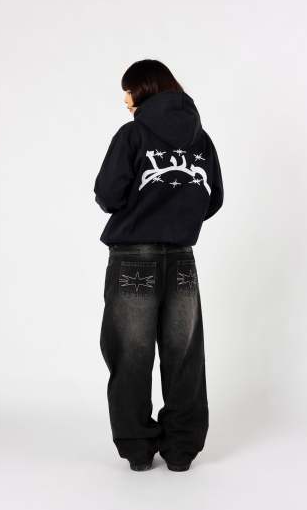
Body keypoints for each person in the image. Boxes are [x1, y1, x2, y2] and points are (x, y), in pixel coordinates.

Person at [93, 59, 224, 472]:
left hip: (133, 258)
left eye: (128, 91)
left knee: (130, 356)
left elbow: (108, 195)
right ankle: (182, 451)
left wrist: (144, 209)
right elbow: (213, 199)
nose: (125, 100)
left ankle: (137, 450)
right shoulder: (201, 140)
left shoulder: (132, 135)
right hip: (182, 258)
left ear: (143, 90)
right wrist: (176, 216)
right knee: (184, 356)